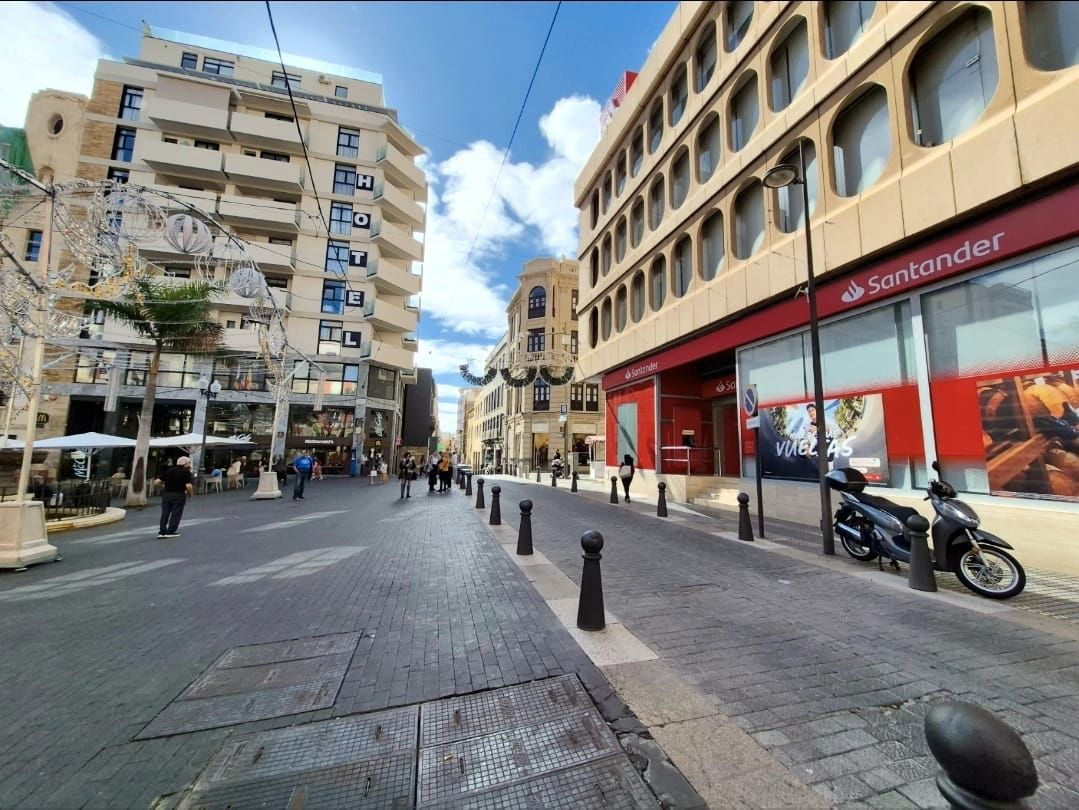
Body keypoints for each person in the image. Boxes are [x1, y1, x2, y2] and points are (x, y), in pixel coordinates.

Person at [155, 456, 194, 538]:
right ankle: (170, 531)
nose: (190, 464)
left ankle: (162, 531)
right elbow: (188, 485)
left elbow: (157, 482)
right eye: (189, 463)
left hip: (167, 494)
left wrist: (165, 485)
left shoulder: (169, 470)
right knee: (176, 513)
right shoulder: (186, 472)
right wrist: (191, 494)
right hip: (179, 494)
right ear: (185, 464)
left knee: (165, 513)